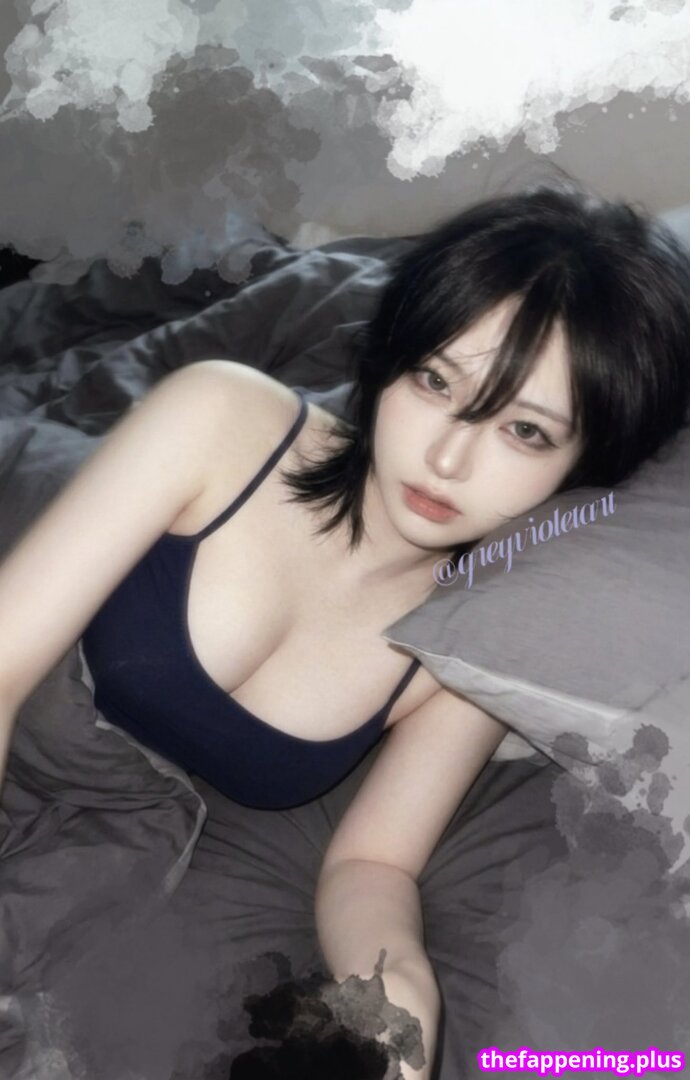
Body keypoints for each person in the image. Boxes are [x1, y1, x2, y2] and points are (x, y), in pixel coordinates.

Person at [1, 180, 689, 1079]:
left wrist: (397, 1003)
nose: (447, 458)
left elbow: (371, 866)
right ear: (388, 362)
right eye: (434, 382)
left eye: (524, 431)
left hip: (103, 828)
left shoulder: (465, 642)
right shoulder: (220, 416)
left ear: (582, 467)